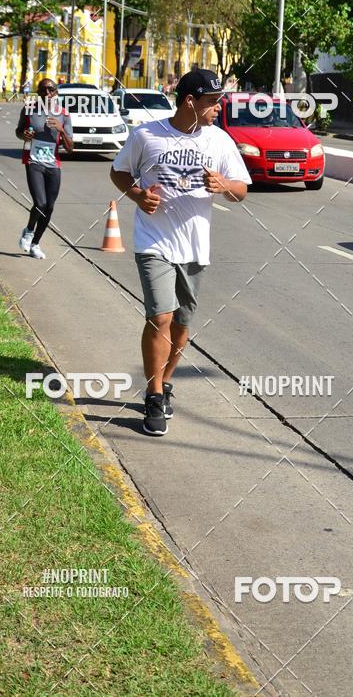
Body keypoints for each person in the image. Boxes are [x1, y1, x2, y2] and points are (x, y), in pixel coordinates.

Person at [110, 68, 251, 436]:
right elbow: (120, 172)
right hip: (153, 242)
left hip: (195, 246)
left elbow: (241, 191)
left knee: (183, 325)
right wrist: (138, 195)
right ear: (190, 101)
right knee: (161, 317)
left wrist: (223, 186)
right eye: (212, 102)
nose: (218, 108)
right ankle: (154, 395)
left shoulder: (219, 141)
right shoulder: (147, 135)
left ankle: (165, 380)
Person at [16, 78, 73, 260]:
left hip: (53, 165)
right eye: (43, 90)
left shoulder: (63, 114)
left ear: (56, 92)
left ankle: (35, 244)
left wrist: (61, 130)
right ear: (38, 92)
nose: (47, 93)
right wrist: (23, 134)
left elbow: (71, 147)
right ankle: (28, 231)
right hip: (33, 162)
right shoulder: (29, 110)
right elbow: (19, 131)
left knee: (49, 207)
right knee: (40, 203)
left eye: (51, 90)